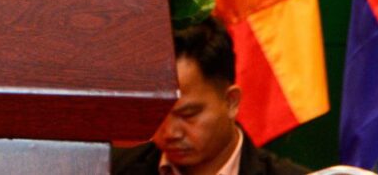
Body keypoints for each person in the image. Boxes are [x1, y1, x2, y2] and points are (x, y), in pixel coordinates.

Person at [112, 18, 309, 175]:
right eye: (157, 114)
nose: (170, 132)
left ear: (231, 101)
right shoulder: (111, 169)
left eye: (188, 114)